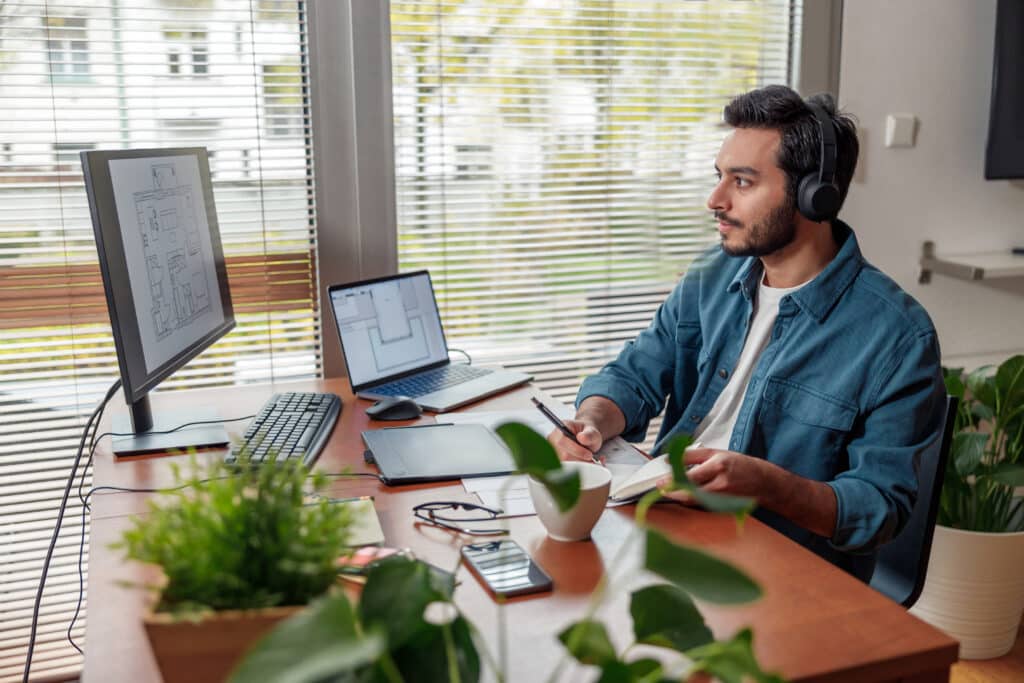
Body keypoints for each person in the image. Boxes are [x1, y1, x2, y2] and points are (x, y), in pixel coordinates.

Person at [550, 85, 945, 581]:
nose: (715, 200)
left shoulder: (897, 337)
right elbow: (634, 374)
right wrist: (591, 421)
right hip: (662, 527)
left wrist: (767, 485)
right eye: (720, 177)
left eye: (742, 182)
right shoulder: (709, 277)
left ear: (813, 196)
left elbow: (879, 507)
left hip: (778, 568)